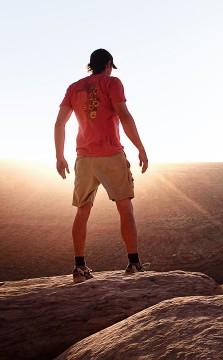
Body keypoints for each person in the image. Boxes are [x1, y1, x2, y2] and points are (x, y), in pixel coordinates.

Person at [54, 49, 149, 283]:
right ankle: (134, 263)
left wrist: (59, 156)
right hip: (111, 154)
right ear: (108, 64)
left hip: (84, 157)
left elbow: (60, 123)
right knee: (124, 207)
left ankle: (79, 267)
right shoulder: (112, 83)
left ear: (90, 66)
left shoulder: (74, 87)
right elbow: (124, 116)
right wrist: (140, 147)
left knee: (82, 210)